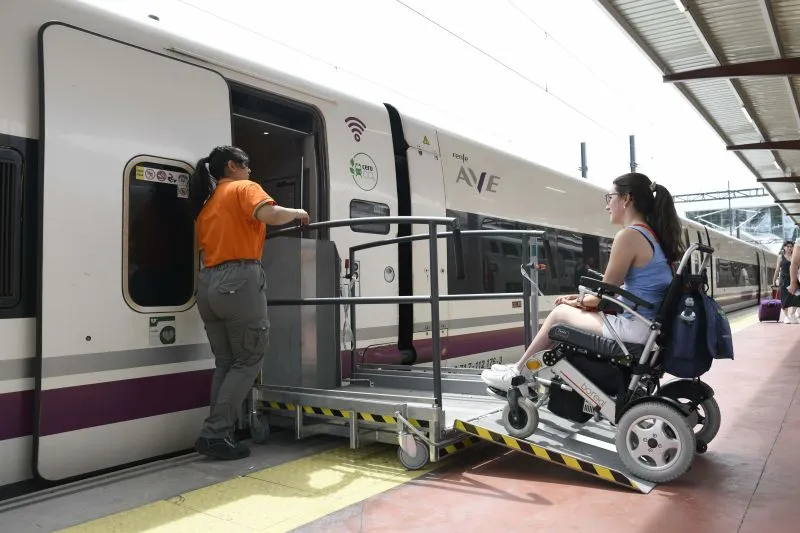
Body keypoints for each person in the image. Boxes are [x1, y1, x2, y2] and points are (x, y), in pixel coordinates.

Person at [481, 172, 683, 391]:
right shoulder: (651, 236)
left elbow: (603, 297)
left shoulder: (629, 236)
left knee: (559, 314)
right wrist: (580, 299)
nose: (607, 205)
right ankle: (524, 370)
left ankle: (518, 374)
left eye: (610, 197)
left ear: (626, 199)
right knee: (567, 311)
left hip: (634, 329)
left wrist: (576, 302)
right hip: (646, 327)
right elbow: (628, 290)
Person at [188, 145, 309, 460]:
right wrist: (298, 212)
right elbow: (269, 214)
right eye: (247, 164)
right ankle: (215, 433)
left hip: (208, 283)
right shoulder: (244, 188)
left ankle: (219, 432)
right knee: (249, 358)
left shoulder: (207, 204)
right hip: (239, 281)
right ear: (232, 165)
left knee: (226, 362)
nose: (250, 170)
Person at [773, 241, 798, 324]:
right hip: (784, 280)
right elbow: (777, 269)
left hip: (794, 279)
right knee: (784, 298)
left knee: (797, 296)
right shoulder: (780, 257)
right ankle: (786, 316)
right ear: (784, 247)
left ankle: (792, 314)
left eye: (791, 246)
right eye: (788, 246)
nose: (790, 248)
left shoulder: (796, 256)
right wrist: (774, 280)